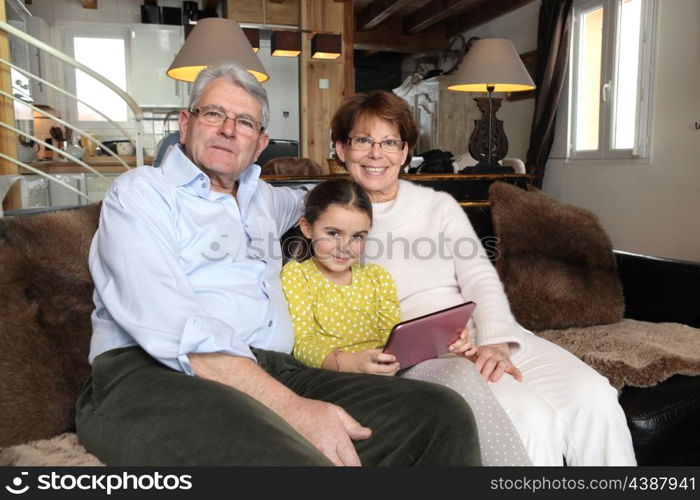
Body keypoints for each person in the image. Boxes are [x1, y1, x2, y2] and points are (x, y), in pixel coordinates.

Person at [75, 62, 481, 466]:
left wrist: (368, 165)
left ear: (260, 142)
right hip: (154, 373)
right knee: (295, 462)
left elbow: (325, 198)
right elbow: (173, 326)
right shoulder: (142, 194)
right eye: (214, 113)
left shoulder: (264, 199)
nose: (228, 129)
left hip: (272, 368)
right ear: (185, 124)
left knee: (442, 414)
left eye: (245, 122)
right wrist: (292, 408)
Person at [330, 90, 637, 466]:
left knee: (596, 397)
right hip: (422, 354)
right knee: (529, 418)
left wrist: (495, 341)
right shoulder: (330, 220)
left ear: (406, 152)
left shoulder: (437, 205)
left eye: (390, 141)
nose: (377, 153)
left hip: (484, 332)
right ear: (341, 149)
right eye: (363, 140)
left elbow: (479, 276)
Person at [281, 178, 530, 466]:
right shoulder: (297, 276)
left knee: (460, 372)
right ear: (307, 227)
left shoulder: (376, 278)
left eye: (358, 237)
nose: (345, 247)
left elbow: (395, 337)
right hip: (339, 378)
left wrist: (448, 343)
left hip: (390, 370)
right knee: (445, 403)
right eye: (333, 232)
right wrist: (349, 362)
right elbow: (302, 343)